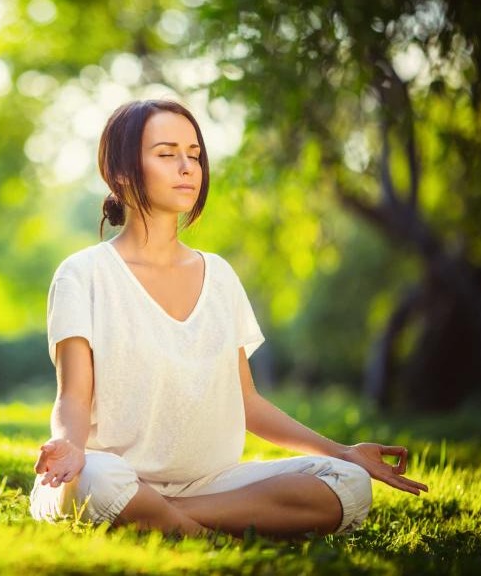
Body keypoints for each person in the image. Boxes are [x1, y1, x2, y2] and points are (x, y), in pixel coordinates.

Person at [28, 99, 429, 538]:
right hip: (112, 472)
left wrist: (345, 452)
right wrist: (69, 445)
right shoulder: (83, 274)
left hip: (212, 483)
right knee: (99, 483)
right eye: (166, 154)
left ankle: (162, 515)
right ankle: (198, 525)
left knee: (348, 484)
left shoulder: (218, 275)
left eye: (195, 155)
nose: (187, 167)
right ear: (121, 173)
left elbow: (248, 403)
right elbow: (74, 396)